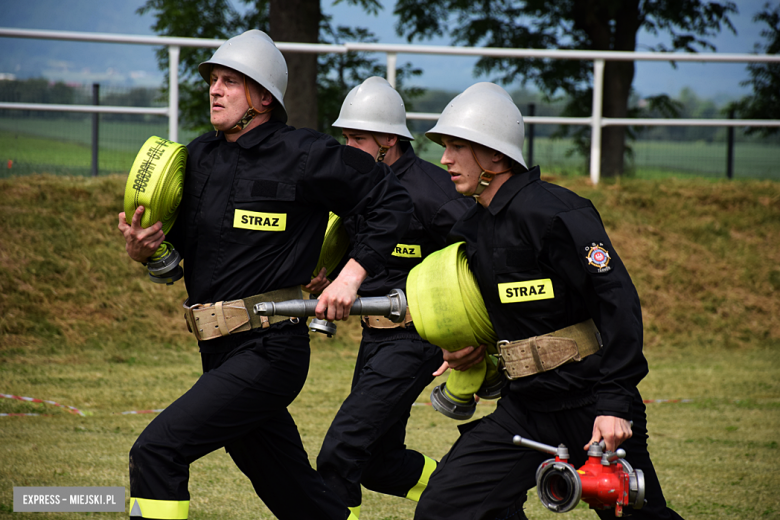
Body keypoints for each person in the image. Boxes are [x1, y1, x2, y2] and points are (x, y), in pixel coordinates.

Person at [117, 30, 413, 520]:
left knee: (157, 451)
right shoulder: (197, 159)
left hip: (270, 352)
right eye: (213, 79)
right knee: (301, 499)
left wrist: (351, 275)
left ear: (263, 97)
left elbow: (391, 201)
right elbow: (177, 264)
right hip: (217, 353)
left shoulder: (307, 153)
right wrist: (148, 253)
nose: (214, 89)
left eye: (229, 81)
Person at [413, 82, 684, 520]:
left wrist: (614, 404)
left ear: (495, 156)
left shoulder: (557, 212)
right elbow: (491, 308)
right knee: (446, 508)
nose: (445, 158)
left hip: (591, 403)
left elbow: (617, 302)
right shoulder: (472, 227)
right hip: (525, 410)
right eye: (445, 146)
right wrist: (470, 346)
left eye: (458, 146)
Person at [312, 76, 473, 518]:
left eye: (358, 138)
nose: (348, 147)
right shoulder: (354, 187)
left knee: (340, 454)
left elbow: (480, 262)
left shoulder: (435, 192)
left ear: (388, 139)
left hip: (418, 338)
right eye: (344, 137)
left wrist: (467, 334)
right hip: (374, 336)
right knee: (378, 462)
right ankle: (478, 498)